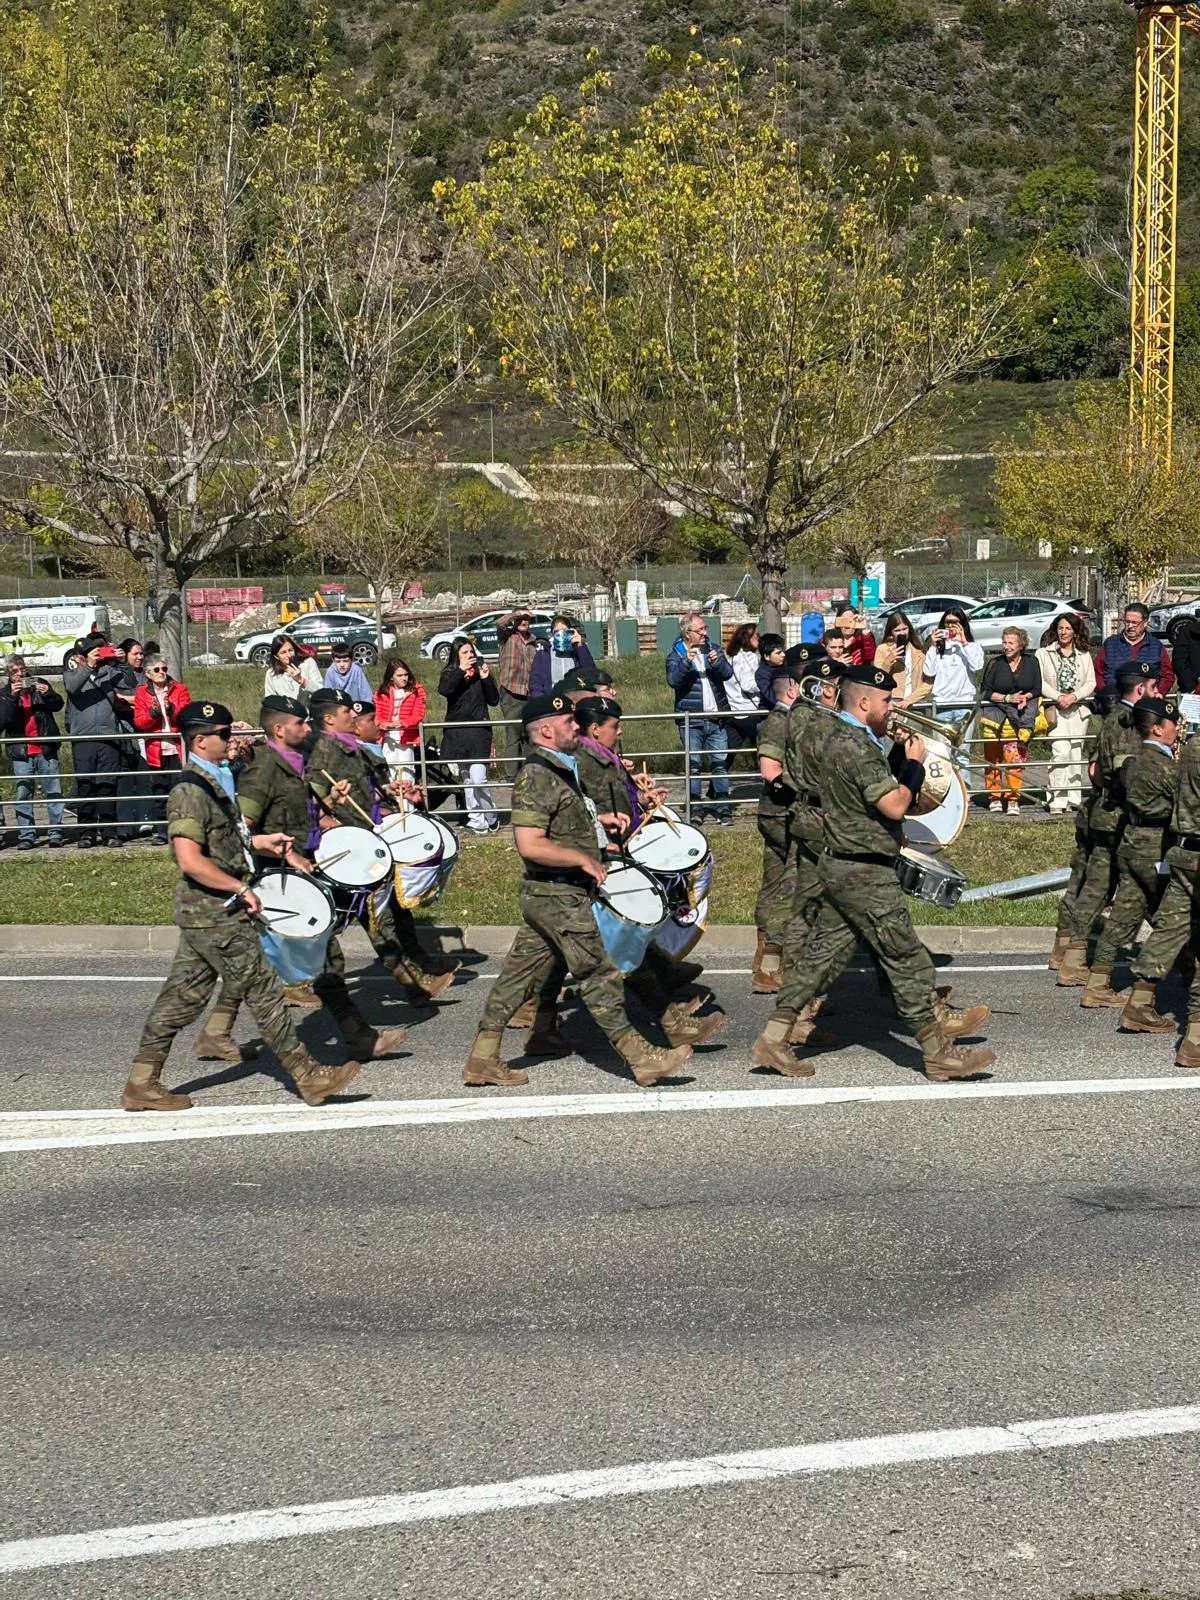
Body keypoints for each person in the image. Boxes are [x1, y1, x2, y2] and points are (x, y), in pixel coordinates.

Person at [749, 663, 995, 1081]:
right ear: (864, 702)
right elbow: (894, 805)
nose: (892, 707)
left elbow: (869, 790)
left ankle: (772, 1040)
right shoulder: (855, 745)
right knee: (904, 957)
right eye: (886, 701)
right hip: (864, 869)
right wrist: (914, 764)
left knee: (819, 959)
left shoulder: (847, 739)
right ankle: (938, 1052)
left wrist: (898, 753)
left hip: (841, 861)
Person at [121, 700, 363, 1112]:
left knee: (182, 998)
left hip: (209, 911)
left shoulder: (217, 781)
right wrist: (239, 887)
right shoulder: (190, 790)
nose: (232, 741)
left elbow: (224, 838)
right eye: (224, 735)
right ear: (200, 740)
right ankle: (307, 1076)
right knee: (265, 990)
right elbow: (189, 858)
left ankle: (142, 1083)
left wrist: (261, 842)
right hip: (215, 909)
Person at [461, 692, 696, 1089]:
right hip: (557, 894)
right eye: (569, 722)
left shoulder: (559, 770)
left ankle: (482, 1059)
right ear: (547, 731)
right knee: (598, 973)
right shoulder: (537, 774)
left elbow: (562, 821)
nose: (576, 725)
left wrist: (600, 825)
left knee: (516, 978)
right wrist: (582, 859)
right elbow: (530, 843)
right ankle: (642, 1058)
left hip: (552, 894)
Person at [236, 694, 406, 1055]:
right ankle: (348, 1040)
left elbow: (300, 815)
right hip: (278, 880)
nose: (307, 728)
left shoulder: (295, 763)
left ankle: (219, 1030)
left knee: (305, 960)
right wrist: (275, 848)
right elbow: (242, 830)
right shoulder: (264, 768)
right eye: (300, 724)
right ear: (280, 729)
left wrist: (330, 802)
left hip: (301, 871)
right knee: (311, 960)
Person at [306, 688, 458, 1004]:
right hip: (344, 849)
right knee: (351, 920)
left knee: (378, 915)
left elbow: (362, 795)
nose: (354, 715)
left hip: (366, 842)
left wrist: (389, 790)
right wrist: (334, 830)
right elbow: (314, 805)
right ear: (330, 718)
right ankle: (413, 984)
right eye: (347, 711)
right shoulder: (321, 754)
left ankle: (415, 981)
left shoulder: (351, 750)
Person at [1055, 658, 1156, 988]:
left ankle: (1071, 955)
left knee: (1096, 888)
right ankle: (1076, 960)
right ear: (1140, 688)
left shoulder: (1118, 719)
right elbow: (1124, 773)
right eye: (1153, 687)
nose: (1157, 692)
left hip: (1107, 814)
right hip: (1116, 818)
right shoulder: (1125, 723)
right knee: (1109, 889)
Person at [1080, 697, 1179, 1010]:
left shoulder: (1133, 761)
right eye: (1172, 724)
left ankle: (1097, 983)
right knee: (1173, 918)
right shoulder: (1162, 766)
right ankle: (1152, 988)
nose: (1177, 729)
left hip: (1130, 843)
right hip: (1154, 846)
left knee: (1124, 915)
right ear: (1158, 728)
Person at [1119, 710, 1200, 1058]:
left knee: (1170, 928)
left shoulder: (1192, 747)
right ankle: (1195, 1035)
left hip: (1184, 851)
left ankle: (1139, 999)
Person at [751, 668, 802, 993]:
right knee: (790, 884)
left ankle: (765, 966)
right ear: (793, 690)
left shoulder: (791, 719)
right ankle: (776, 965)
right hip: (782, 812)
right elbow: (769, 768)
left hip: (779, 813)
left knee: (774, 882)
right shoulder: (779, 720)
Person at [666, 611, 735, 825]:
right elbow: (673, 681)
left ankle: (724, 809)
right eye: (700, 630)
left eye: (705, 629)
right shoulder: (675, 655)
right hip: (691, 721)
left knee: (720, 764)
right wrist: (686, 662)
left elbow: (727, 674)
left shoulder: (713, 649)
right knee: (694, 766)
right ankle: (695, 810)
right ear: (688, 634)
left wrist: (717, 663)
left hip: (716, 719)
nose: (705, 633)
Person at [64, 636, 126, 847]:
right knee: (86, 786)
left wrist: (121, 661)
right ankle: (86, 833)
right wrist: (87, 666)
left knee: (107, 786)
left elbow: (129, 685)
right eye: (86, 653)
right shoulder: (71, 675)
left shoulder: (108, 673)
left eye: (94, 651)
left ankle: (110, 832)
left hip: (108, 737)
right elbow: (73, 688)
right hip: (83, 739)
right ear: (77, 657)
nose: (92, 655)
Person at [0, 655, 65, 849]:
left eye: (22, 670)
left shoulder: (40, 684)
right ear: (8, 675)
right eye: (14, 672)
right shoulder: (3, 694)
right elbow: (3, 721)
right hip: (21, 751)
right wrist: (12, 697)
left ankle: (56, 832)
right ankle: (26, 835)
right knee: (23, 793)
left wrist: (47, 694)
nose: (20, 675)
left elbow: (58, 705)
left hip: (45, 747)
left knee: (53, 791)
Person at [1036, 613, 1096, 814]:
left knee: (1075, 754)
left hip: (1078, 709)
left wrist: (1074, 697)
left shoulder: (1084, 654)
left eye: (1068, 628)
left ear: (1075, 631)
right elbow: (1040, 681)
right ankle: (1057, 799)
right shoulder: (1044, 653)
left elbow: (1091, 682)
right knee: (1060, 752)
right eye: (1060, 628)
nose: (1063, 632)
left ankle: (1073, 798)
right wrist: (1058, 696)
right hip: (1055, 709)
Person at [438, 636, 500, 833]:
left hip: (479, 731)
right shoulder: (450, 672)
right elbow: (445, 690)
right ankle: (477, 820)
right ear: (456, 656)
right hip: (457, 731)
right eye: (464, 653)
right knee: (467, 779)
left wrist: (486, 679)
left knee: (478, 778)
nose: (469, 656)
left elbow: (493, 700)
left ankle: (491, 815)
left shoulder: (480, 671)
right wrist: (460, 670)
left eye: (471, 652)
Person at [979, 626, 1040, 813]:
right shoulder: (995, 664)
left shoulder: (1032, 662)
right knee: (992, 759)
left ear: (1021, 644)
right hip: (995, 718)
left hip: (1018, 718)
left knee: (1014, 759)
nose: (1006, 646)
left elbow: (1037, 688)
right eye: (1004, 642)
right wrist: (1006, 698)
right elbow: (985, 691)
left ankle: (1013, 798)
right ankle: (994, 796)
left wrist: (1025, 697)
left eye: (1010, 643)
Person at [133, 656, 191, 842]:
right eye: (157, 670)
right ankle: (162, 831)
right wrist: (153, 713)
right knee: (160, 791)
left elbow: (187, 716)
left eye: (164, 668)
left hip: (177, 748)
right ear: (148, 673)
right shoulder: (142, 693)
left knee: (180, 791)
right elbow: (140, 721)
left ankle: (182, 830)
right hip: (156, 750)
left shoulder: (179, 689)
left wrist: (172, 709)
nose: (162, 673)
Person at [1095, 601, 1174, 702]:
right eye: (1127, 622)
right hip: (1115, 704)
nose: (1130, 626)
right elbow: (1097, 673)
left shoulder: (1156, 646)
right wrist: (1105, 693)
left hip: (1146, 704)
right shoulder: (1110, 644)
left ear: (1145, 623)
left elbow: (1167, 675)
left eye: (1135, 623)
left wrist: (1160, 693)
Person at [922, 607, 984, 730]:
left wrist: (964, 643)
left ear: (962, 624)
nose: (950, 626)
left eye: (955, 622)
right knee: (941, 747)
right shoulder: (938, 648)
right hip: (941, 704)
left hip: (964, 703)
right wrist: (933, 646)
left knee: (963, 746)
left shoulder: (972, 646)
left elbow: (977, 667)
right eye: (947, 622)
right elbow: (929, 672)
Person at [496, 610, 540, 762]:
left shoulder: (534, 641)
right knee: (513, 736)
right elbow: (500, 623)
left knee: (530, 735)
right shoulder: (506, 637)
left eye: (526, 619)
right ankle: (512, 777)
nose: (523, 622)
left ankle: (528, 773)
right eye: (520, 619)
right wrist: (515, 614)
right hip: (511, 692)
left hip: (530, 693)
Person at [373, 658, 425, 776]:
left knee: (407, 771)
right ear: (391, 677)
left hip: (406, 735)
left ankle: (408, 793)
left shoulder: (416, 691)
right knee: (392, 771)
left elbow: (418, 714)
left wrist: (403, 723)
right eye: (399, 675)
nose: (404, 678)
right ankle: (394, 795)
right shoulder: (381, 692)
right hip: (387, 736)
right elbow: (377, 713)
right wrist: (381, 723)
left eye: (406, 674)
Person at [528, 614, 595, 696]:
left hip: (574, 698)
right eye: (557, 632)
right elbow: (535, 681)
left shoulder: (576, 652)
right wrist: (541, 700)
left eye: (564, 631)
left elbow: (591, 672)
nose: (560, 634)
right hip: (551, 699)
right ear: (552, 633)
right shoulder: (543, 654)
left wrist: (580, 646)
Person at [874, 612, 929, 709]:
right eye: (897, 630)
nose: (902, 633)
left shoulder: (919, 650)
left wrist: (910, 699)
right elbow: (878, 679)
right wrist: (889, 660)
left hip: (914, 703)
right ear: (891, 632)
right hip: (892, 703)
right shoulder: (882, 649)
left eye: (905, 629)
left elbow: (928, 681)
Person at [725, 622, 765, 747]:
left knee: (729, 753)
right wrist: (766, 684)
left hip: (733, 711)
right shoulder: (749, 657)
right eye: (756, 635)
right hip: (750, 711)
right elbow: (747, 685)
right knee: (764, 750)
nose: (759, 638)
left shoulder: (730, 657)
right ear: (747, 638)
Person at [263, 634, 322, 703]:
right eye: (283, 652)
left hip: (309, 711)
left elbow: (320, 690)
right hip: (285, 712)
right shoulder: (271, 674)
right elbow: (270, 700)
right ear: (276, 656)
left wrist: (301, 680)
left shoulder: (308, 663)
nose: (288, 655)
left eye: (290, 650)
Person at [753, 633, 787, 704]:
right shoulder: (761, 674)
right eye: (778, 653)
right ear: (767, 656)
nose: (783, 654)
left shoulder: (787, 664)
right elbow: (772, 696)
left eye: (783, 651)